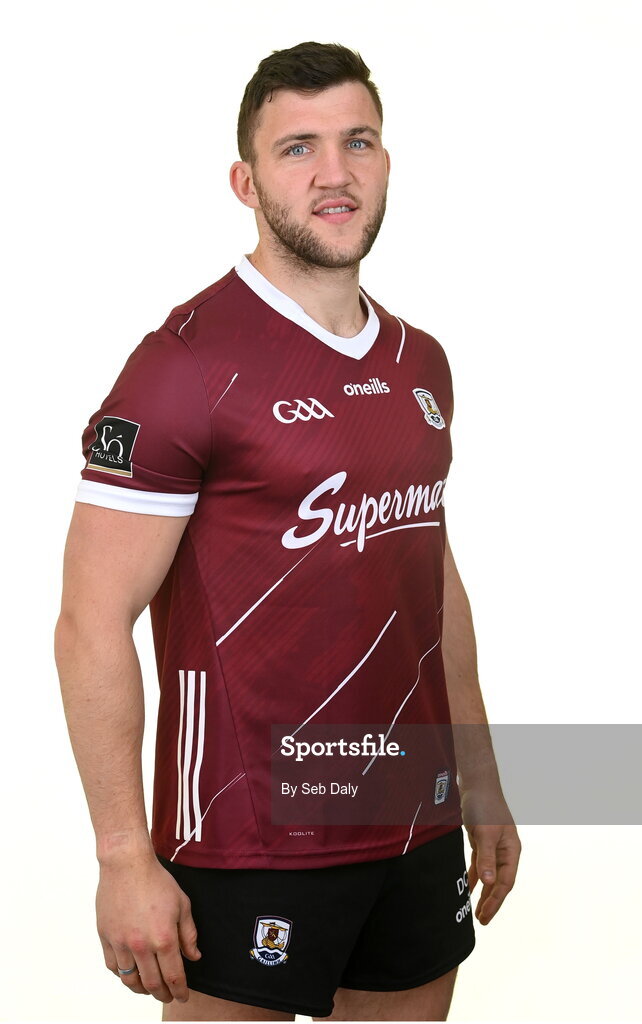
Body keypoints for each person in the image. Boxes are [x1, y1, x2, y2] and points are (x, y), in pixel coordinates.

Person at [55, 40, 521, 1022]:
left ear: (385, 162)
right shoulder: (184, 365)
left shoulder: (420, 363)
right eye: (298, 148)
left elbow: (431, 583)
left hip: (411, 814)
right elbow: (90, 623)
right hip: (246, 833)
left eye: (357, 141)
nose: (334, 172)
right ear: (247, 179)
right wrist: (122, 855)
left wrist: (481, 780)